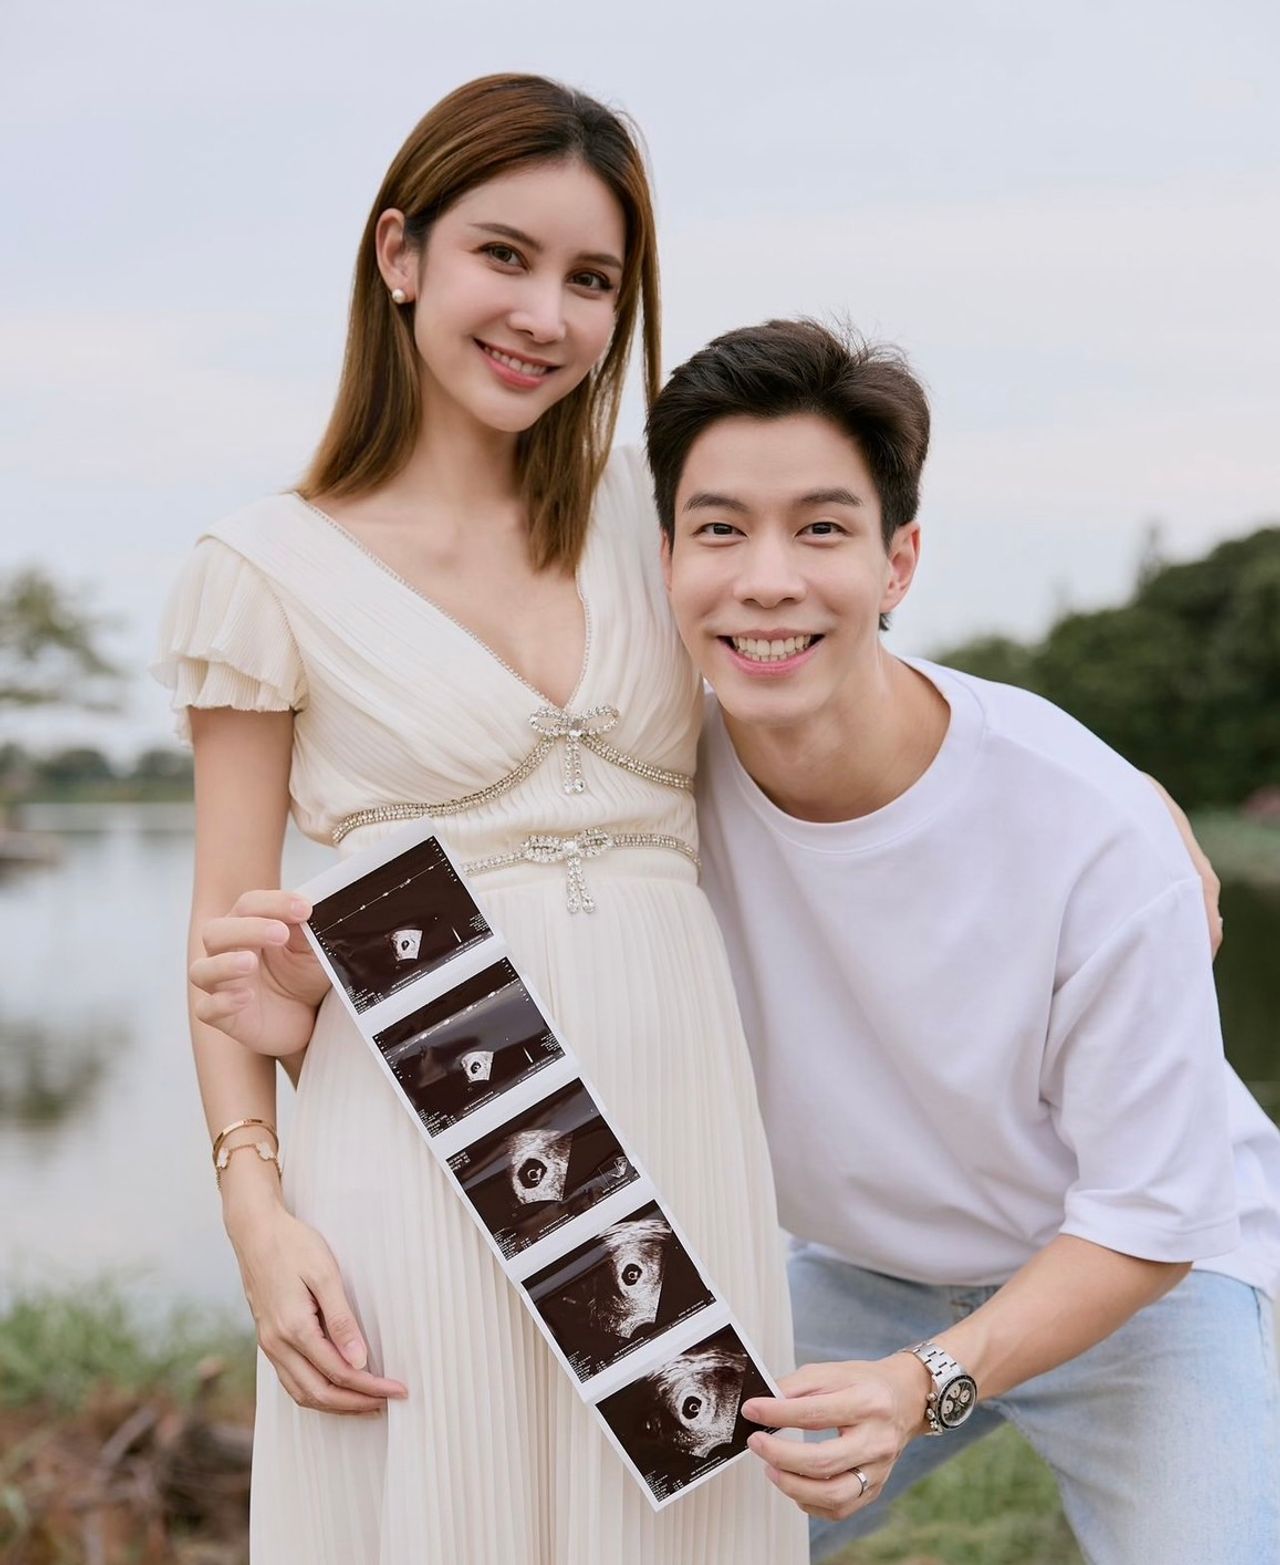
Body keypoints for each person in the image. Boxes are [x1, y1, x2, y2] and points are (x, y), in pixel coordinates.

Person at [154, 76, 805, 1564]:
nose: (544, 316)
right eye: (503, 255)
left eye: (593, 279)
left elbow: (840, 677)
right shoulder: (264, 568)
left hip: (679, 1134)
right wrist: (259, 1215)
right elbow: (224, 935)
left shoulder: (662, 514)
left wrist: (1119, 797)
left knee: (692, 1515)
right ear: (401, 254)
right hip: (418, 1134)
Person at [648, 317, 1280, 1564]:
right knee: (639, 1536)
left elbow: (1151, 1209)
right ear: (661, 557)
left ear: (897, 563)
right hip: (854, 1273)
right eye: (718, 529)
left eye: (819, 529)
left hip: (1136, 1274)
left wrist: (919, 1384)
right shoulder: (641, 789)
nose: (764, 579)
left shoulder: (1090, 825)